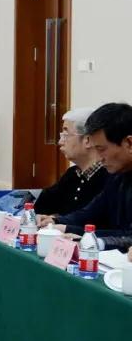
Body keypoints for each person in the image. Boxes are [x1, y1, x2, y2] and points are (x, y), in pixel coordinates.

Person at [39, 103, 132, 251]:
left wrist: (92, 241)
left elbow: (128, 236)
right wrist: (57, 221)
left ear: (129, 143)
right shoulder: (117, 175)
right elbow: (92, 210)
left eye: (101, 149)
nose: (99, 158)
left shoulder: (111, 172)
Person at [32, 107, 108, 216]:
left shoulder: (110, 177)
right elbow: (40, 207)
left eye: (66, 135)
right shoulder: (72, 174)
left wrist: (59, 221)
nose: (60, 142)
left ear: (88, 140)